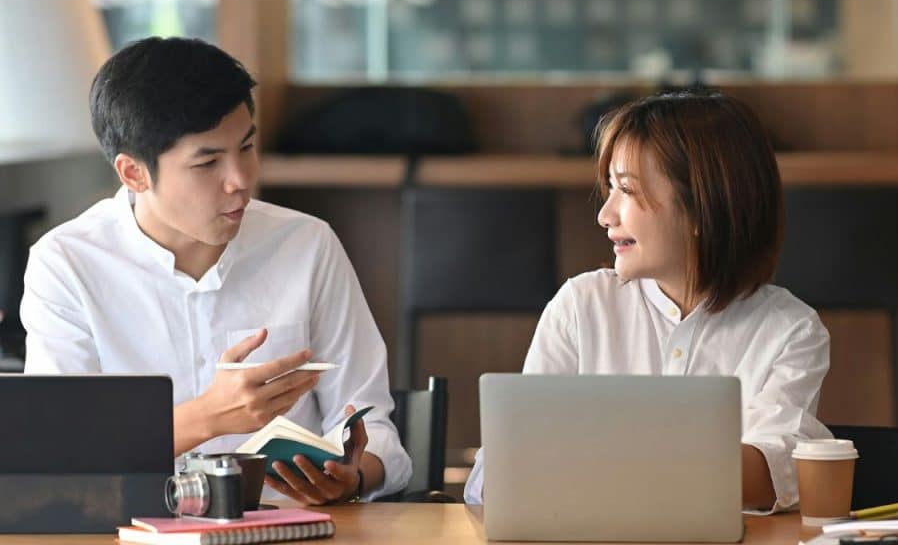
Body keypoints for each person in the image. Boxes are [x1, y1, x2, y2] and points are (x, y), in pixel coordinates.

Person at [20, 37, 410, 504]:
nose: (241, 180)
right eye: (207, 162)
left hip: (295, 533)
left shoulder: (307, 244)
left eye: (246, 147)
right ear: (133, 173)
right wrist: (208, 417)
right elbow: (60, 459)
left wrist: (356, 477)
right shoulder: (66, 264)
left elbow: (374, 428)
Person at [464, 88, 832, 512]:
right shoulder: (581, 307)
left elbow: (771, 476)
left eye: (626, 189)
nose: (605, 215)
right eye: (609, 189)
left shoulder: (790, 330)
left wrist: (591, 452)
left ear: (701, 207)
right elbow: (499, 477)